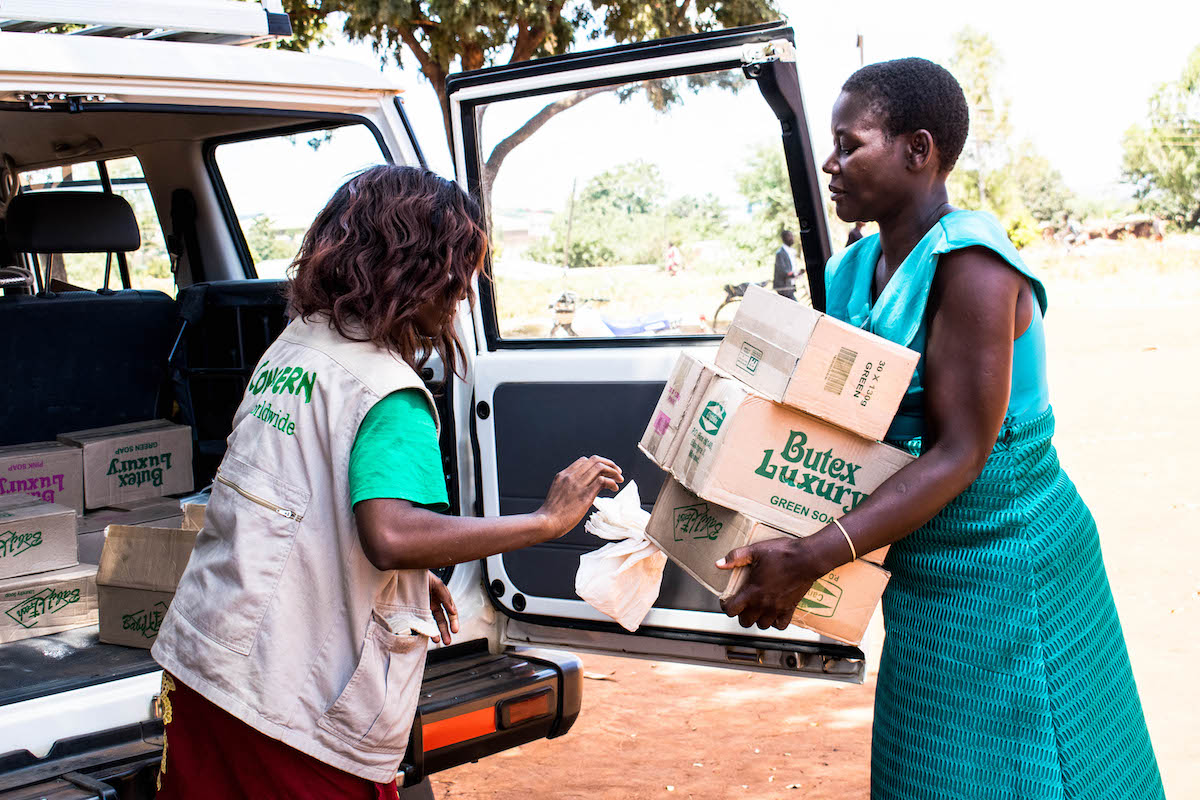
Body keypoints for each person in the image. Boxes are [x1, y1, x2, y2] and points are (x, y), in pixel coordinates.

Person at [717, 58, 1164, 800]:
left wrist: (814, 555)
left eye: (850, 143)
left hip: (1010, 563)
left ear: (917, 150)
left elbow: (960, 454)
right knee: (926, 770)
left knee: (1041, 767)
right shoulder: (859, 266)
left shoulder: (973, 267)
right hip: (919, 567)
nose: (831, 163)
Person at [150, 165, 622, 799]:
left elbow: (294, 498)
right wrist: (546, 522)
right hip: (290, 711)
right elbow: (391, 536)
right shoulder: (389, 392)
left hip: (207, 664)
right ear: (412, 269)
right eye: (457, 272)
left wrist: (409, 573)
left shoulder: (294, 351)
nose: (462, 294)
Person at [773, 229, 800, 299]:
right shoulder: (780, 253)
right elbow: (782, 270)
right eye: (789, 236)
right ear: (784, 238)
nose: (792, 238)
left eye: (792, 236)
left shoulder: (791, 251)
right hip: (783, 287)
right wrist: (793, 274)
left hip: (790, 286)